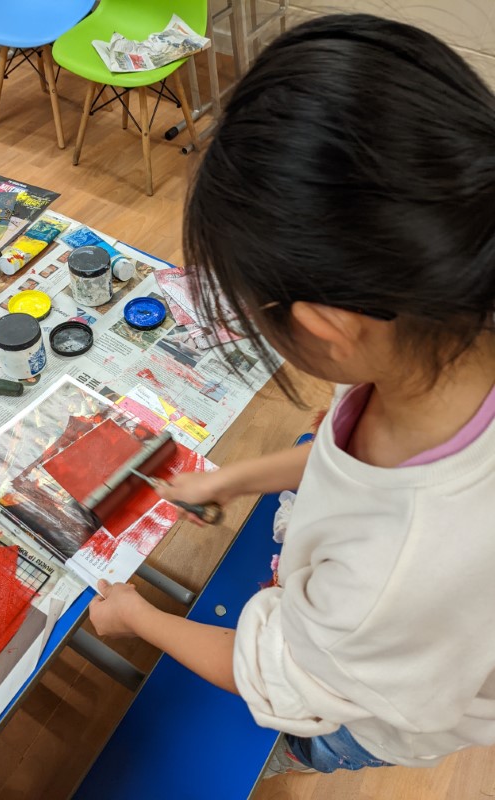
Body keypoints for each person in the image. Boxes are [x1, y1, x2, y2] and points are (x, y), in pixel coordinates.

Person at [89, 13, 495, 774]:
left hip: (350, 713)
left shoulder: (403, 563)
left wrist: (138, 617)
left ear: (328, 325)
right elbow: (354, 467)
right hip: (366, 619)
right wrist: (231, 477)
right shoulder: (441, 340)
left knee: (280, 743)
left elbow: (273, 676)